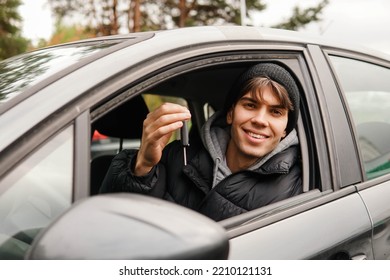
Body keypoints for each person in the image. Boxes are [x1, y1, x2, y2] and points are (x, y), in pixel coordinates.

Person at [100, 62, 302, 221]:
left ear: (285, 129)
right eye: (250, 105)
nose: (260, 120)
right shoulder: (177, 156)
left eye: (276, 112)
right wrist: (143, 164)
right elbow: (115, 221)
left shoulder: (297, 186)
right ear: (230, 114)